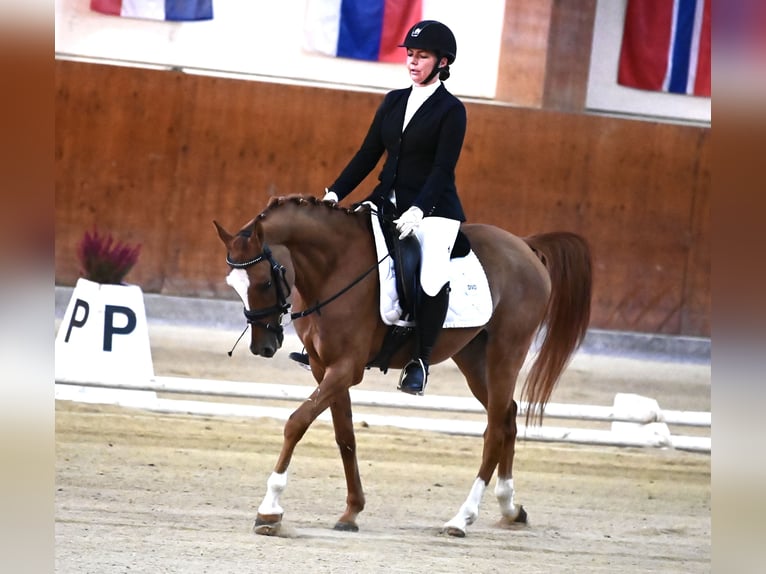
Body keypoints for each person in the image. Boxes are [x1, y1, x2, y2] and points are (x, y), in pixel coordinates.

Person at [322, 20, 467, 396]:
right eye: (411, 55)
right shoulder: (393, 101)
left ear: (442, 62)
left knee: (432, 274)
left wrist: (419, 209)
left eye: (422, 57)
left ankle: (419, 360)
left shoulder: (452, 111)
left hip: (434, 210)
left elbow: (442, 169)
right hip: (386, 199)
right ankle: (332, 342)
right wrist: (334, 193)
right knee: (345, 251)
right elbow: (369, 154)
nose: (413, 62)